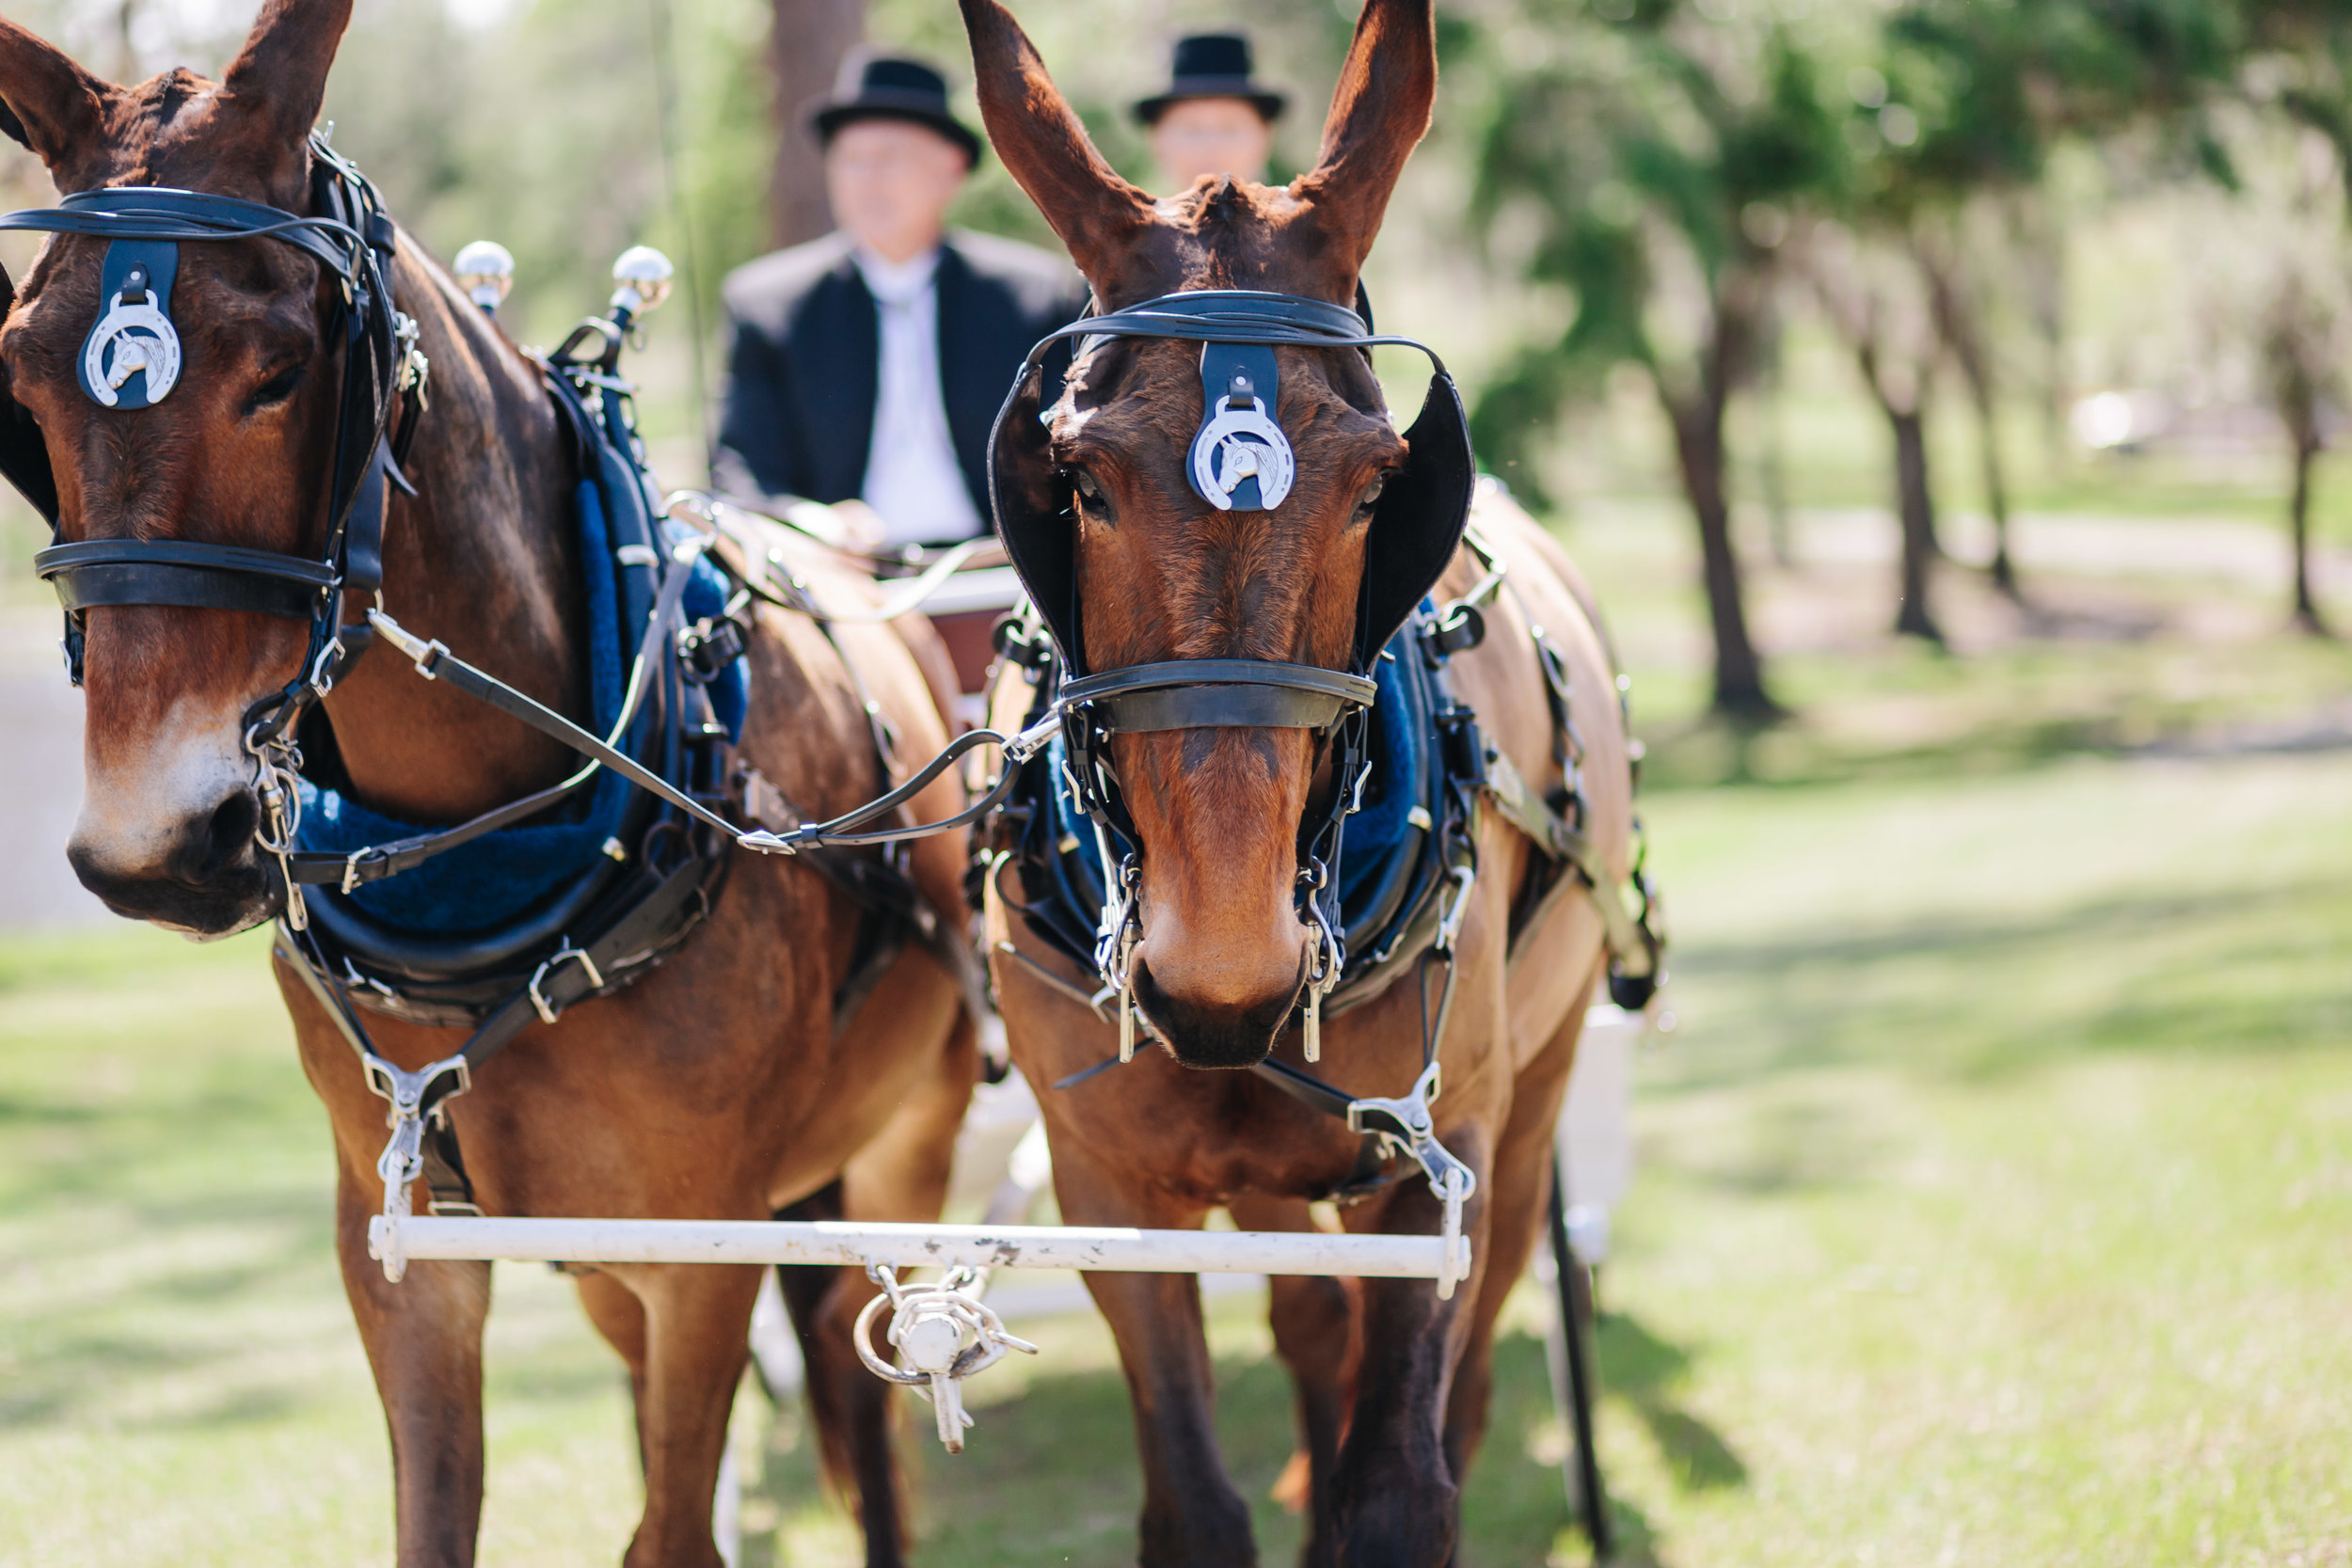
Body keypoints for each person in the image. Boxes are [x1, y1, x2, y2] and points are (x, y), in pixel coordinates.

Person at [714, 53, 1084, 549]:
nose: (868, 179)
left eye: (890, 157)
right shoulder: (768, 306)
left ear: (950, 169)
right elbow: (739, 471)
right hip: (839, 587)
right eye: (851, 159)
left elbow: (1079, 451)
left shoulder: (1037, 296)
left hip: (1005, 578)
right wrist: (811, 522)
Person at [1135, 33, 1286, 191]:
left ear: (1266, 135)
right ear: (1155, 139)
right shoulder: (1124, 216)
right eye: (1192, 129)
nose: (1211, 145)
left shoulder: (1305, 215)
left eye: (1229, 128)